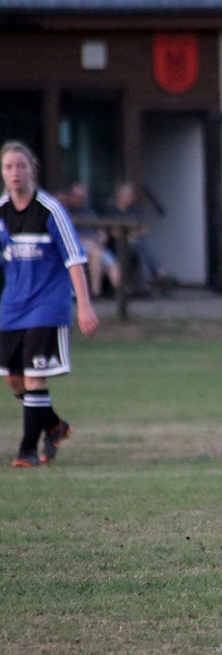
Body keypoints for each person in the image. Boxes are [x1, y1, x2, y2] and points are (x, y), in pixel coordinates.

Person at [0, 141, 100, 467]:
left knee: (34, 377)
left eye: (20, 166)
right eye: (8, 167)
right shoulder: (1, 211)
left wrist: (84, 306)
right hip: (12, 307)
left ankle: (27, 450)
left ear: (32, 169)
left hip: (47, 306)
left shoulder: (50, 210)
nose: (15, 173)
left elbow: (74, 259)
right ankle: (54, 425)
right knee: (13, 378)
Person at [58, 182, 120, 298]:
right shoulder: (65, 212)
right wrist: (89, 242)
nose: (79, 199)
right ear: (70, 196)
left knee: (112, 263)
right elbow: (69, 236)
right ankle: (95, 292)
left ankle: (121, 294)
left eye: (82, 197)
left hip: (95, 245)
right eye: (77, 196)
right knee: (96, 254)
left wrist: (101, 239)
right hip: (78, 247)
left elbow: (100, 230)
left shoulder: (89, 212)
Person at [107, 182, 171, 295]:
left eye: (131, 196)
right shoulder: (111, 211)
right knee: (142, 245)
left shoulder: (134, 211)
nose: (130, 199)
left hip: (135, 242)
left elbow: (144, 229)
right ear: (120, 196)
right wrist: (130, 234)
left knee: (143, 243)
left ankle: (147, 282)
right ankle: (157, 273)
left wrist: (134, 233)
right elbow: (113, 232)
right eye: (127, 196)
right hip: (118, 245)